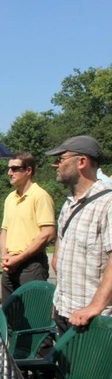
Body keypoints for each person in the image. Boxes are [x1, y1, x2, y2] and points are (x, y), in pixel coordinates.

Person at [46, 136, 112, 334]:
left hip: (93, 320)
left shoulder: (107, 203)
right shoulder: (69, 203)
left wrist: (95, 306)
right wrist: (59, 300)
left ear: (81, 161)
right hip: (65, 311)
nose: (55, 164)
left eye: (61, 159)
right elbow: (59, 255)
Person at [0, 151, 56, 302]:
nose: (10, 173)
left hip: (31, 265)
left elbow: (48, 233)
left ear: (28, 170)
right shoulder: (10, 198)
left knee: (33, 317)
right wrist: (5, 257)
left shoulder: (40, 196)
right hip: (9, 265)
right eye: (9, 169)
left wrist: (18, 259)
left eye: (15, 168)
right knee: (9, 317)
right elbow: (4, 231)